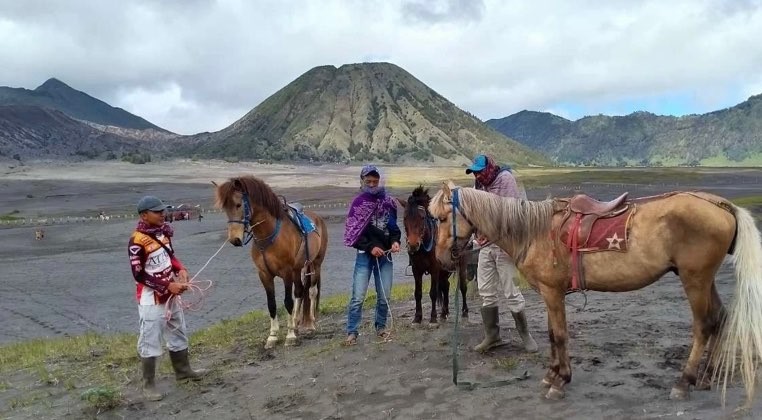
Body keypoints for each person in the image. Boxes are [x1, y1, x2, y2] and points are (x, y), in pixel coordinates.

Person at [128, 195, 207, 401]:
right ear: (144, 215)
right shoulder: (136, 242)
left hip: (172, 295)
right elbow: (138, 275)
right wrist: (167, 285)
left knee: (178, 330)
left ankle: (183, 372)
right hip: (151, 299)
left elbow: (170, 257)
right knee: (150, 339)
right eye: (157, 211)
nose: (163, 214)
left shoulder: (163, 235)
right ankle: (149, 385)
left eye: (163, 210)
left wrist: (181, 270)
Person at [466, 154, 538, 353]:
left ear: (489, 168)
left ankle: (525, 335)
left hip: (506, 244)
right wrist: (477, 232)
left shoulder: (505, 179)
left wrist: (490, 235)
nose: (478, 176)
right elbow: (475, 211)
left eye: (480, 171)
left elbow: (511, 213)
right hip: (485, 245)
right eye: (475, 172)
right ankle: (492, 336)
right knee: (486, 291)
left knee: (511, 291)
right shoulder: (478, 185)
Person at [343, 165, 401, 345]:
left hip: (385, 256)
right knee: (358, 297)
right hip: (364, 256)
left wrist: (395, 241)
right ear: (362, 181)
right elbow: (354, 235)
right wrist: (370, 248)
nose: (372, 184)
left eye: (375, 181)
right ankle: (352, 331)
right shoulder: (358, 204)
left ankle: (381, 327)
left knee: (385, 296)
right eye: (368, 181)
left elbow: (393, 229)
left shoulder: (388, 203)